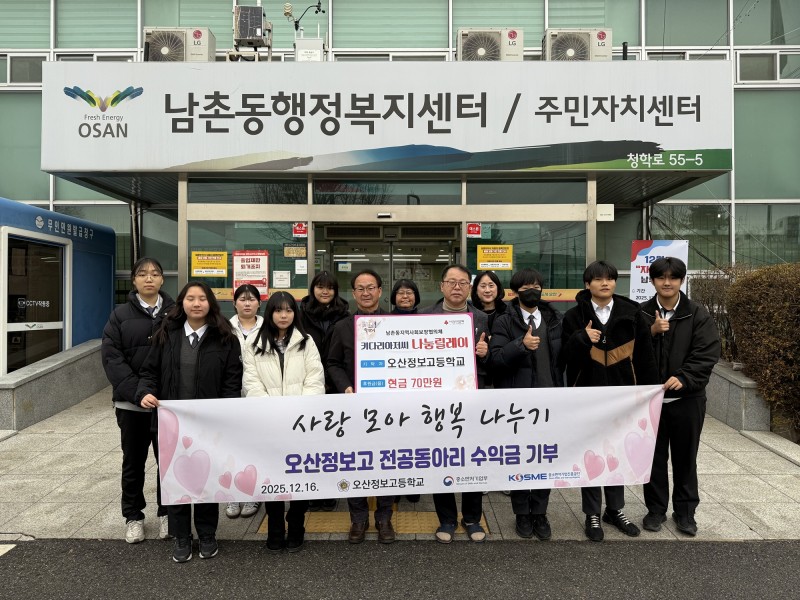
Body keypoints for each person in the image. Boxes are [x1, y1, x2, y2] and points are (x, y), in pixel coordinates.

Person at [137, 281, 242, 563]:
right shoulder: (166, 334)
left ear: (211, 303)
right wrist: (145, 392)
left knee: (208, 477)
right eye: (190, 298)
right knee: (175, 480)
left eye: (202, 299)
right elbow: (149, 372)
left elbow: (232, 382)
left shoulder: (225, 338)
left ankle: (207, 534)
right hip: (172, 423)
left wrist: (226, 414)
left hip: (209, 424)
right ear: (181, 303)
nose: (196, 304)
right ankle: (181, 536)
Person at [560, 260, 658, 542]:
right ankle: (592, 513)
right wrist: (582, 338)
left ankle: (615, 510)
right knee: (591, 453)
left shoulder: (633, 314)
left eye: (610, 278)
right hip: (587, 397)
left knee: (618, 453)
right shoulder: (574, 316)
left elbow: (646, 358)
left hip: (624, 398)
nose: (605, 283)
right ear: (587, 284)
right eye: (599, 279)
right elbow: (563, 357)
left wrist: (648, 394)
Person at [640, 257, 720, 536]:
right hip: (650, 401)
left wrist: (684, 377)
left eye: (673, 277)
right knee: (654, 458)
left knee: (686, 458)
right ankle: (655, 510)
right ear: (652, 281)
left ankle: (685, 514)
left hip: (688, 400)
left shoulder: (697, 314)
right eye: (661, 277)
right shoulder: (642, 313)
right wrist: (650, 332)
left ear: (681, 281)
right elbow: (629, 352)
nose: (667, 283)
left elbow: (707, 353)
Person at [243, 291, 325, 552]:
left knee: (299, 474)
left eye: (289, 310)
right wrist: (272, 410)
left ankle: (297, 524)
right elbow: (251, 382)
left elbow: (315, 379)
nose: (283, 315)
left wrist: (298, 411)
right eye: (278, 310)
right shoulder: (254, 342)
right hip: (268, 422)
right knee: (272, 476)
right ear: (270, 313)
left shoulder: (306, 341)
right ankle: (275, 527)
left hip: (300, 422)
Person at [101, 257, 175, 544]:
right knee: (133, 462)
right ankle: (133, 516)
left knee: (168, 461)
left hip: (167, 405)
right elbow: (112, 359)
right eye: (142, 274)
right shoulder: (119, 315)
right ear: (133, 280)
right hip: (131, 405)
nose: (149, 278)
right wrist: (139, 392)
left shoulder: (175, 312)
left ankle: (168, 512)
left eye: (155, 273)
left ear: (162, 279)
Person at [490, 268, 563, 541]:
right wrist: (520, 345)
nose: (532, 290)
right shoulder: (504, 320)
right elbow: (495, 359)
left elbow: (564, 358)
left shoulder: (555, 319)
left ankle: (540, 512)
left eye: (536, 285)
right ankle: (521, 512)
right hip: (517, 404)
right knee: (520, 457)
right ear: (515, 292)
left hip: (549, 400)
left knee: (544, 458)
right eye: (526, 287)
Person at [420, 264, 490, 543]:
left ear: (469, 288)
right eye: (451, 282)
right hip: (436, 401)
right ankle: (446, 519)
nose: (457, 287)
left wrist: (484, 354)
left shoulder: (482, 318)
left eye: (462, 283)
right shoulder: (423, 316)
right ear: (442, 286)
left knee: (472, 457)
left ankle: (472, 518)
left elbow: (493, 361)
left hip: (471, 400)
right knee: (441, 458)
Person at [327, 269, 396, 544]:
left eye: (371, 287)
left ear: (380, 290)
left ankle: (384, 517)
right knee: (355, 461)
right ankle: (358, 517)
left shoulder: (396, 324)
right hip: (353, 407)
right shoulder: (342, 327)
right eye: (360, 288)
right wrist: (345, 386)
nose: (366, 293)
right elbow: (332, 363)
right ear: (354, 294)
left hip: (389, 409)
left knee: (388, 462)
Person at [298, 271, 350, 512]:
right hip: (307, 384)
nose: (325, 291)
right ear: (313, 289)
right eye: (320, 286)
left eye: (330, 287)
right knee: (310, 441)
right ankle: (311, 489)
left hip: (337, 385)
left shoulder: (345, 315)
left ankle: (330, 491)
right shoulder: (300, 314)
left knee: (333, 441)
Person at [224, 284, 264, 521]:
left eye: (251, 299)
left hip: (259, 396)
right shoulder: (223, 328)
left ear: (259, 303)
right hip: (231, 394)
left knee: (254, 445)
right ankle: (232, 493)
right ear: (234, 303)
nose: (247, 303)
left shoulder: (267, 328)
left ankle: (252, 492)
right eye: (242, 299)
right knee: (231, 445)